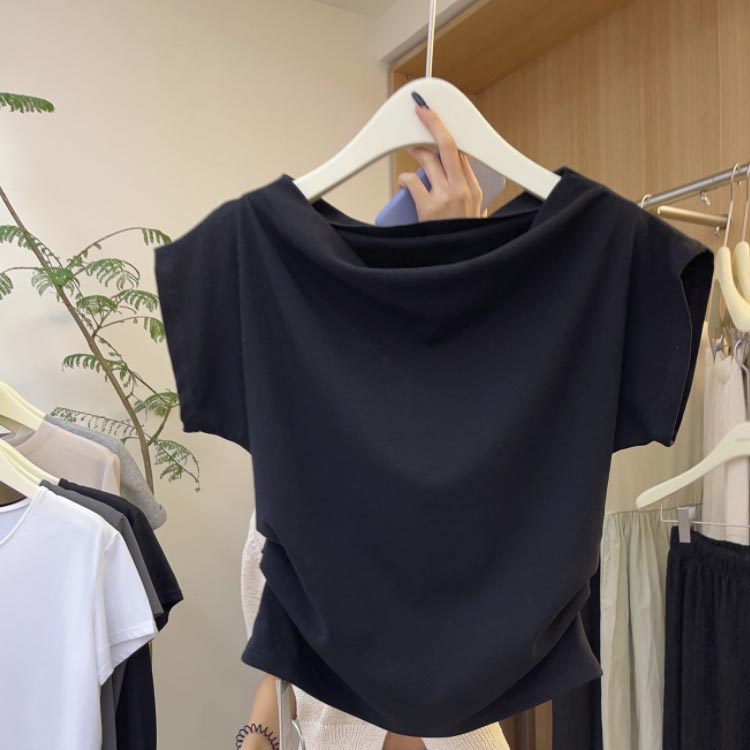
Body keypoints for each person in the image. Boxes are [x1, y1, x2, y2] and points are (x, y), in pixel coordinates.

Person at [238, 100, 508, 750]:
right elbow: (282, 657)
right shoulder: (299, 451)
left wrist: (457, 266)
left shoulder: (464, 450)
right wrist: (254, 739)